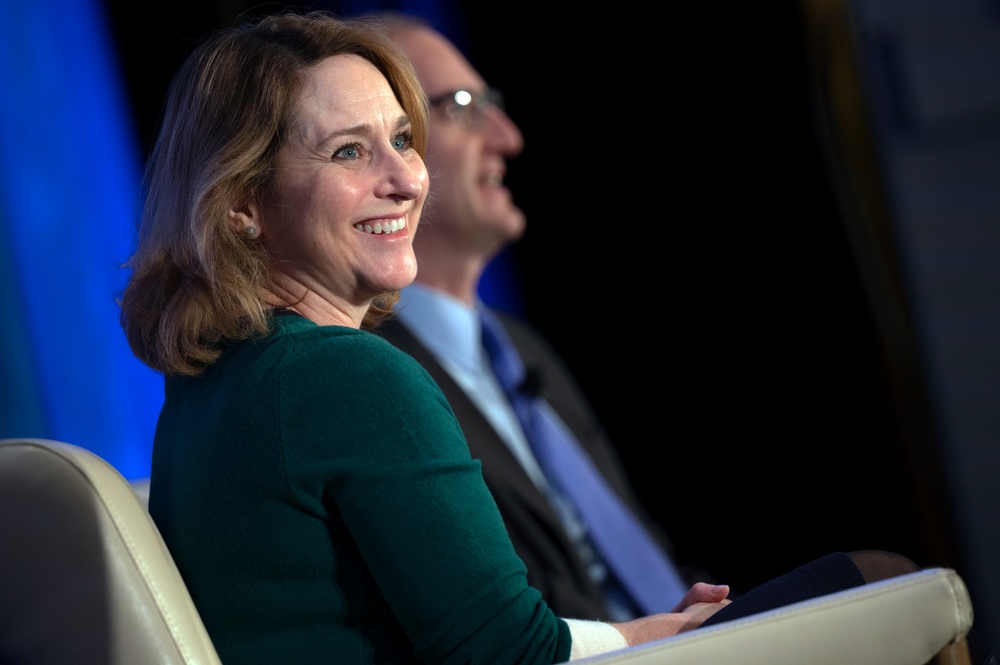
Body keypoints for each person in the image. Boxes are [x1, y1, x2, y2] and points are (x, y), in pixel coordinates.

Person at [118, 9, 977, 665]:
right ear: (242, 202)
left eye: (405, 140)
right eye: (349, 152)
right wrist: (651, 636)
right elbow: (509, 655)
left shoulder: (203, 394)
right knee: (883, 575)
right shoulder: (349, 377)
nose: (404, 178)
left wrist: (643, 627)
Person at [366, 10, 706, 623]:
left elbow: (641, 559)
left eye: (492, 101)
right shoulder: (377, 374)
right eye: (465, 105)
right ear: (388, 149)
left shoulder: (523, 350)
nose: (507, 136)